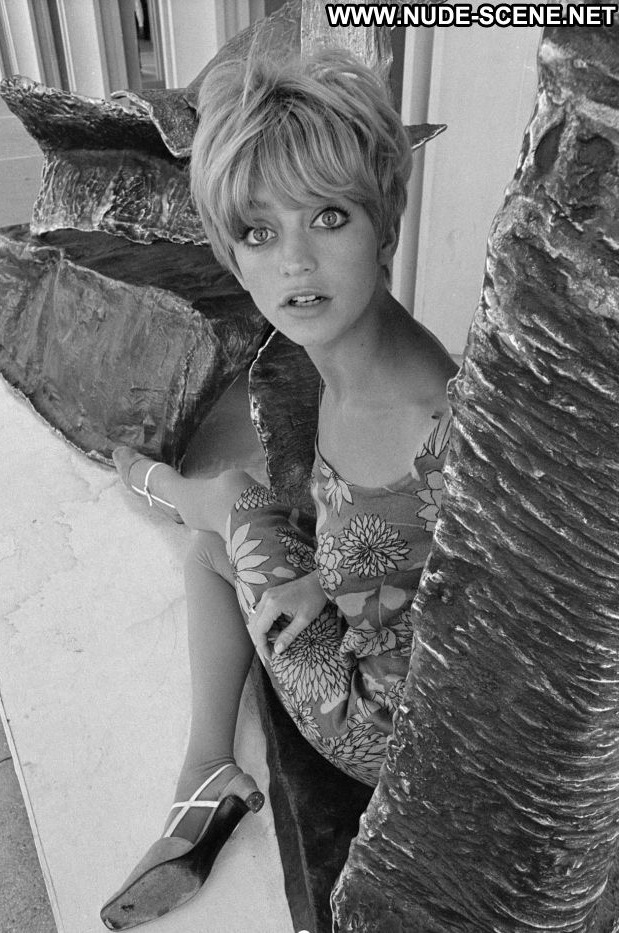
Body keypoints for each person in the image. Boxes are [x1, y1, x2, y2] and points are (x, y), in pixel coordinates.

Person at [100, 47, 458, 930]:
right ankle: (155, 484)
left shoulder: (424, 413)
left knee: (225, 507)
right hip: (381, 655)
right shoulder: (364, 360)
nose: (295, 261)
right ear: (235, 257)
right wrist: (329, 584)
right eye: (260, 233)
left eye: (328, 216)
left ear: (385, 225)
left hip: (384, 734)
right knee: (223, 526)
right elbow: (406, 553)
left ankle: (202, 770)